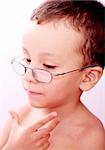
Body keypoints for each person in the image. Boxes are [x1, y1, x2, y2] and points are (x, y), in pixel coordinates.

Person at [0, 0, 105, 150]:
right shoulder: (21, 117)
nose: (29, 76)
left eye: (48, 66)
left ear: (88, 78)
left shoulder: (90, 136)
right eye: (28, 59)